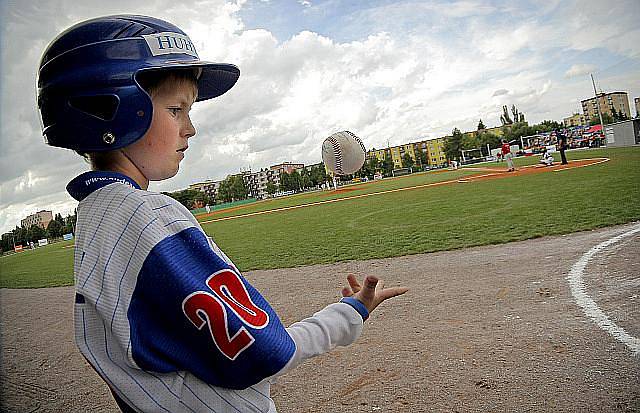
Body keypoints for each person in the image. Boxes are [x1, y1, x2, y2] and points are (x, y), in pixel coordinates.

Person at [37, 15, 408, 413]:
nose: (190, 128)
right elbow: (264, 352)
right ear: (117, 109)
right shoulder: (148, 218)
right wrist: (349, 314)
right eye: (176, 110)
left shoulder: (96, 218)